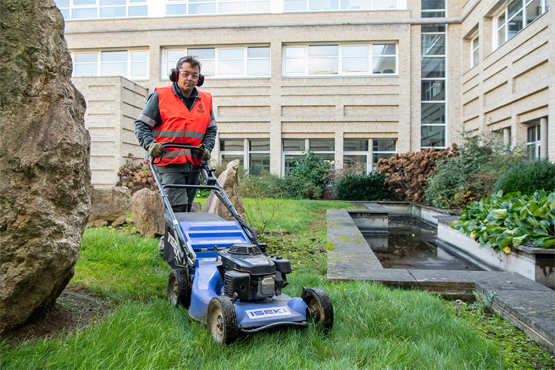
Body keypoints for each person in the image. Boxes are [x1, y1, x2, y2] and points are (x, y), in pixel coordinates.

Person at [134, 55, 217, 213]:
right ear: (175, 75)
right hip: (169, 161)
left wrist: (207, 148)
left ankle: (171, 238)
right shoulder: (160, 97)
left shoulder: (206, 100)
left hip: (194, 163)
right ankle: (173, 238)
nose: (189, 78)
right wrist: (150, 144)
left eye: (194, 75)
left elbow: (211, 129)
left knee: (185, 210)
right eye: (185, 74)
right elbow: (141, 125)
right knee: (177, 209)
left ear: (199, 79)